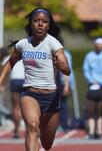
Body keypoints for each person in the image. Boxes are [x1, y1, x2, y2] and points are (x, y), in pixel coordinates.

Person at [0, 8, 70, 151]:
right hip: (30, 94)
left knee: (47, 143)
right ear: (31, 23)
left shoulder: (54, 44)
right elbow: (10, 63)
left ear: (48, 26)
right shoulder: (23, 44)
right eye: (36, 21)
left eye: (44, 22)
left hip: (51, 96)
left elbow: (67, 70)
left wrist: (61, 66)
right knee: (32, 127)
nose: (40, 24)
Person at [1, 48, 25, 139]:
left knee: (16, 107)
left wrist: (2, 85)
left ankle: (16, 131)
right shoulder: (24, 56)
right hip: (24, 81)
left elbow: (5, 73)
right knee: (27, 106)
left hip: (15, 81)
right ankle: (33, 129)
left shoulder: (7, 58)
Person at [57, 37, 75, 133]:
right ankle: (58, 125)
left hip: (61, 82)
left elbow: (66, 71)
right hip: (54, 82)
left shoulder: (65, 54)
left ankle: (64, 125)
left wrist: (67, 85)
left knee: (62, 105)